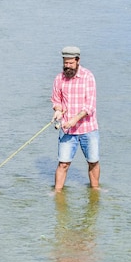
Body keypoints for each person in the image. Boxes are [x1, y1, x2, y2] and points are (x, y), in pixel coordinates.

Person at [51, 46, 100, 192]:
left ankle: (95, 190)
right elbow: (56, 100)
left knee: (93, 162)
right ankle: (57, 193)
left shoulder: (88, 76)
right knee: (63, 164)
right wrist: (58, 111)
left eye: (70, 63)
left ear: (78, 61)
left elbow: (90, 106)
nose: (67, 66)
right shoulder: (59, 78)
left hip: (88, 128)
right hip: (67, 130)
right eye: (65, 63)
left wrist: (74, 120)